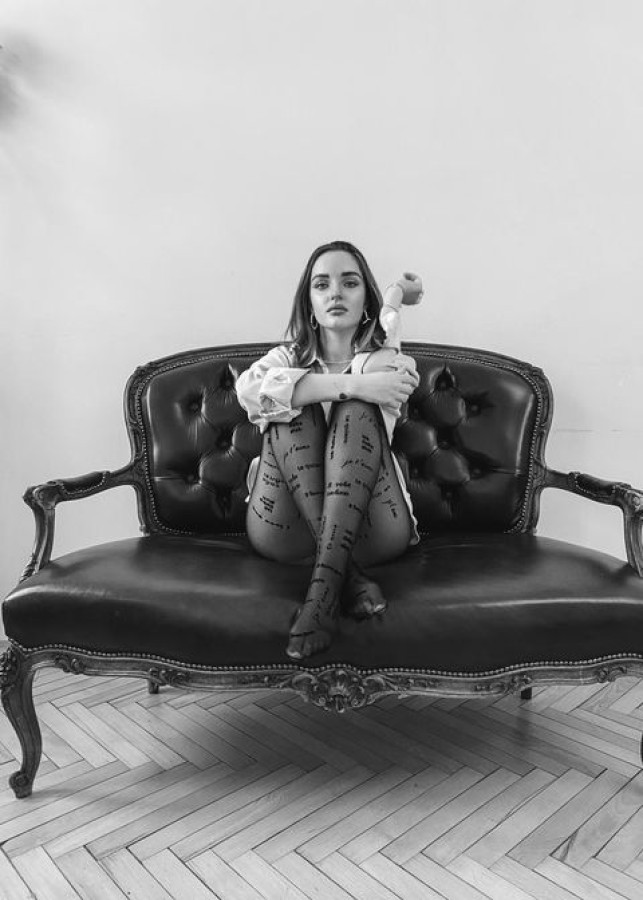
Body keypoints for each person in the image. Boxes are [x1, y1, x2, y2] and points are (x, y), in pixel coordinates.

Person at [235, 240, 421, 661]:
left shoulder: (383, 362)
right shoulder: (287, 356)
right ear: (310, 302)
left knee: (352, 409)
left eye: (349, 283)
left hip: (372, 528)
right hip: (285, 526)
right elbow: (249, 391)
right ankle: (344, 576)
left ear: (366, 299)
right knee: (290, 405)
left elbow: (389, 363)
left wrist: (394, 297)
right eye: (322, 285)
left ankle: (319, 600)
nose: (335, 293)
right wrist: (351, 385)